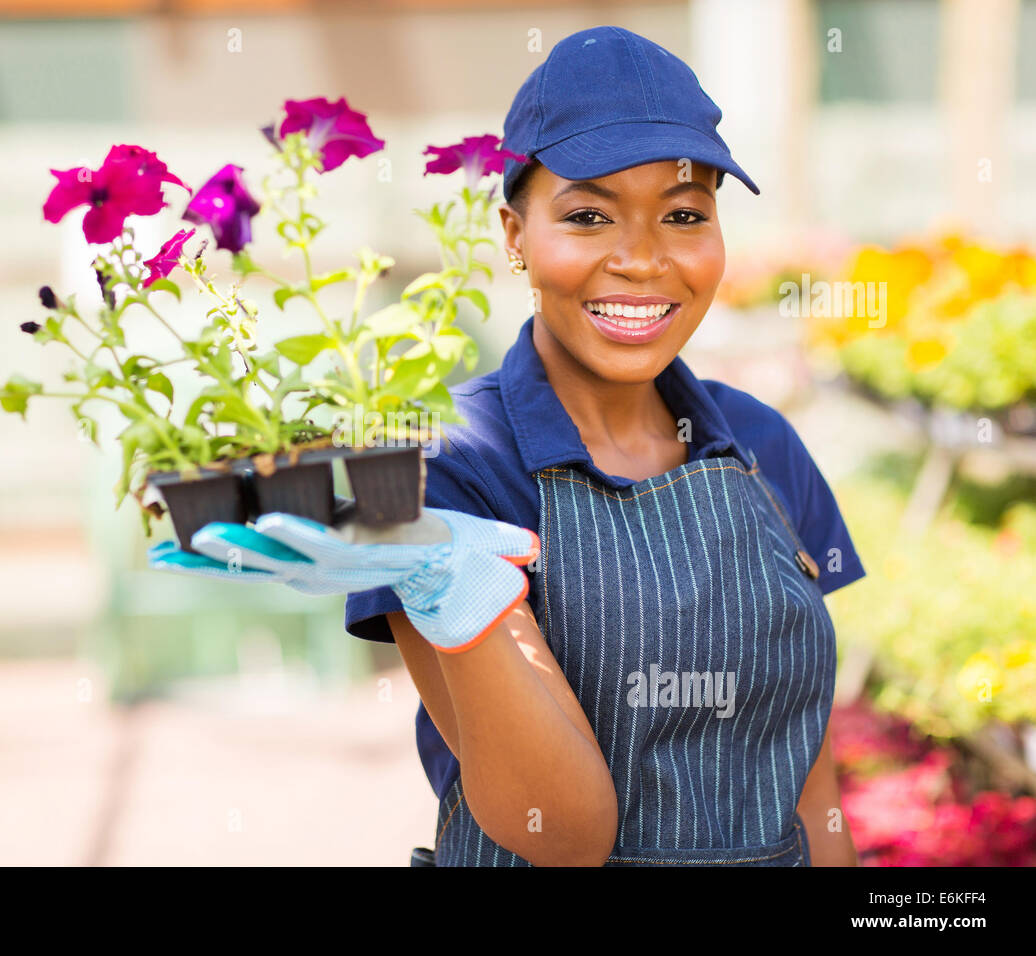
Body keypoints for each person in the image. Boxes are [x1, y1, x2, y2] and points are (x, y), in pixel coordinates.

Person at [150, 24, 866, 867]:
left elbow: (808, 779)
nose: (642, 259)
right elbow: (561, 835)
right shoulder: (447, 464)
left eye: (683, 215)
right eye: (588, 215)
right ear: (513, 233)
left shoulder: (761, 444)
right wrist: (460, 589)